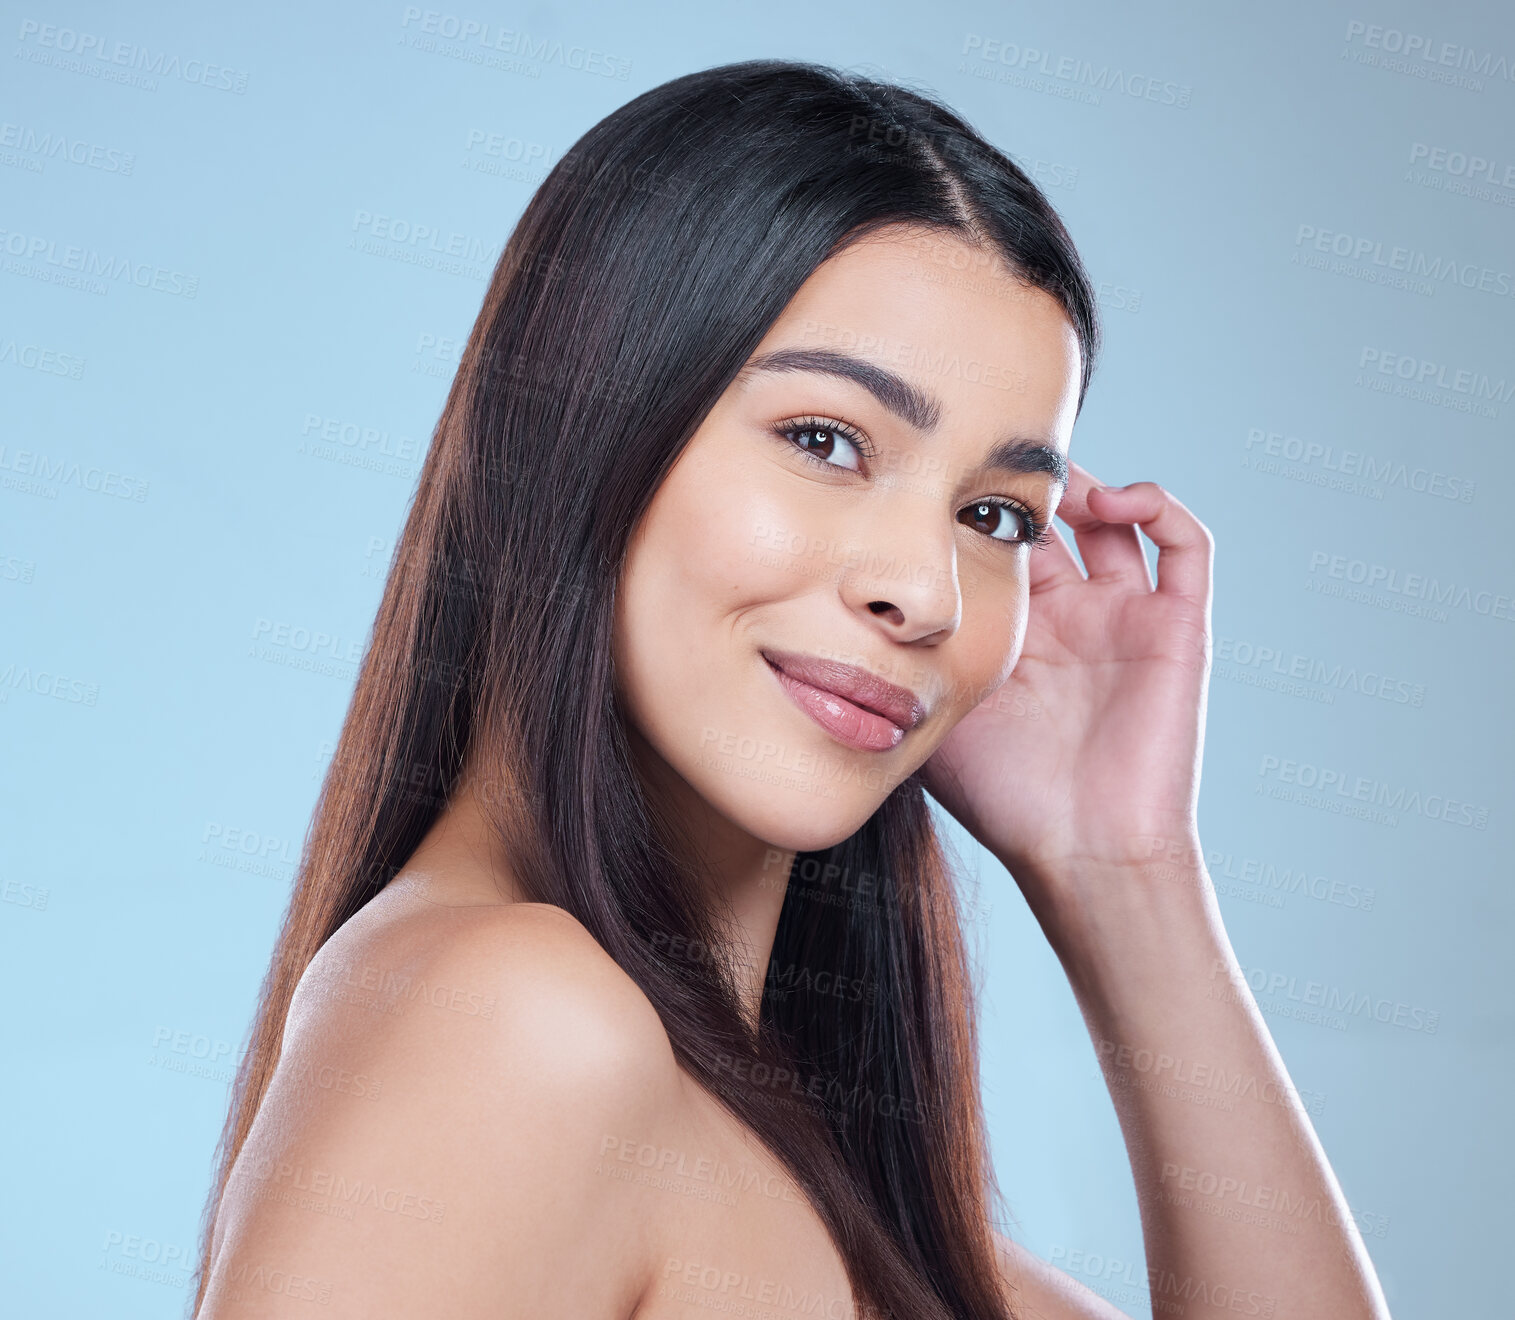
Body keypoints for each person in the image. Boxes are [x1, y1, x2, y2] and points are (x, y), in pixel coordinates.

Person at [190, 59, 1392, 1320]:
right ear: (584, 428)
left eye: (992, 515)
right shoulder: (511, 1024)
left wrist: (1123, 870)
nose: (925, 590)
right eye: (825, 441)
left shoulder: (827, 1201)